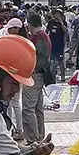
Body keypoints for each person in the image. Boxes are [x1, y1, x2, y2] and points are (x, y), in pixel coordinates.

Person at [25, 12, 50, 142]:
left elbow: (39, 56)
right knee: (38, 108)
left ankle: (33, 138)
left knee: (28, 108)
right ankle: (40, 135)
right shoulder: (44, 35)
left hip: (35, 74)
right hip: (40, 74)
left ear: (29, 24)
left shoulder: (38, 37)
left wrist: (33, 69)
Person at [46, 9, 68, 80]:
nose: (56, 15)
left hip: (60, 44)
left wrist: (61, 23)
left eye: (58, 14)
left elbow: (65, 31)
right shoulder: (51, 22)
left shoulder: (64, 22)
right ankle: (52, 76)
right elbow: (47, 31)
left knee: (60, 61)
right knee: (52, 60)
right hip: (51, 43)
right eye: (55, 14)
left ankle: (62, 76)